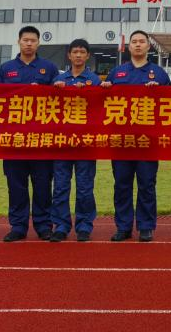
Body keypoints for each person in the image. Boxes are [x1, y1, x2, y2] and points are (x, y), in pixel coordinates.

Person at [0, 25, 61, 242]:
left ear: (38, 43)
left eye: (33, 40)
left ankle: (43, 225)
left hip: (42, 139)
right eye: (25, 40)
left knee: (42, 185)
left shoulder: (49, 68)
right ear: (19, 42)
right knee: (16, 185)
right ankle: (18, 226)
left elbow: (60, 99)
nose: (29, 44)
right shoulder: (6, 69)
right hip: (14, 139)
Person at [103, 30, 170, 243]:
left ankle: (146, 226)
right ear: (129, 46)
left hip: (147, 141)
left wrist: (159, 92)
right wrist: (103, 89)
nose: (138, 45)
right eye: (134, 42)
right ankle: (123, 227)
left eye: (142, 41)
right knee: (122, 185)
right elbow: (102, 105)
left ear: (148, 46)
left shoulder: (159, 74)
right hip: (121, 141)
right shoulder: (117, 73)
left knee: (146, 184)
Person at [49, 39, 101, 242]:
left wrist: (92, 93)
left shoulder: (94, 80)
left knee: (85, 187)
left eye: (82, 52)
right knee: (60, 187)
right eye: (75, 52)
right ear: (69, 55)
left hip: (86, 143)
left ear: (88, 56)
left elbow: (101, 109)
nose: (78, 55)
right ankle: (61, 226)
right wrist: (55, 90)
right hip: (62, 142)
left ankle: (84, 226)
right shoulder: (59, 79)